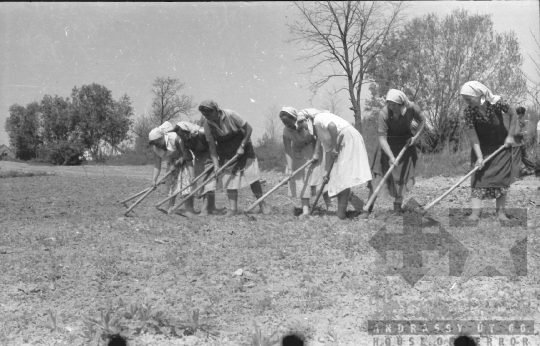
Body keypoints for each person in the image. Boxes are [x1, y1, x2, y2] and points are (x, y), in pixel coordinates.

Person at [198, 100, 270, 217]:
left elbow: (249, 129)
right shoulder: (207, 125)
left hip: (243, 148)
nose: (207, 117)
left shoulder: (230, 115)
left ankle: (262, 204)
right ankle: (233, 209)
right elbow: (212, 147)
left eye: (209, 114)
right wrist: (216, 165)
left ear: (216, 111)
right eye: (205, 115)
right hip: (225, 153)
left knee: (252, 177)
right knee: (229, 180)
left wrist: (242, 146)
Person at [300, 108, 372, 219]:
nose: (304, 128)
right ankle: (343, 212)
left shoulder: (319, 118)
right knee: (339, 177)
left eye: (303, 124)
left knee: (343, 178)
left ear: (307, 119)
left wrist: (334, 146)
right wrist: (326, 173)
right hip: (342, 141)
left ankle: (341, 214)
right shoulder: (319, 132)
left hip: (348, 138)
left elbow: (332, 127)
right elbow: (328, 151)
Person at [460, 81, 517, 221]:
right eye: (464, 100)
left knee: (501, 181)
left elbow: (513, 114)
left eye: (468, 99)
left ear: (478, 95)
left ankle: (501, 213)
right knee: (478, 179)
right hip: (481, 148)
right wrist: (479, 157)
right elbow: (473, 137)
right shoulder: (468, 112)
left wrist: (510, 136)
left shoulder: (496, 103)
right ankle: (475, 213)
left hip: (501, 147)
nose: (466, 102)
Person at [367, 89, 425, 214]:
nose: (391, 106)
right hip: (386, 145)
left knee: (402, 178)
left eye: (394, 104)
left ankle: (398, 208)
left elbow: (422, 120)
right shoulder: (384, 113)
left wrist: (415, 138)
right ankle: (368, 208)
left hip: (405, 144)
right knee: (378, 175)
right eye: (389, 103)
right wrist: (391, 156)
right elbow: (382, 138)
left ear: (401, 105)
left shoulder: (412, 108)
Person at [279, 107, 325, 217]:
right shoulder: (286, 131)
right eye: (284, 122)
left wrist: (316, 153)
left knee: (321, 179)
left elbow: (318, 136)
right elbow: (288, 150)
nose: (286, 124)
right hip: (298, 155)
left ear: (294, 118)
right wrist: (289, 168)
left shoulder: (305, 122)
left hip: (314, 152)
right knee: (302, 182)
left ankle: (328, 207)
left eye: (288, 121)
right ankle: (305, 211)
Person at [148, 121, 196, 216]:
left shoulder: (175, 138)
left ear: (162, 137)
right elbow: (157, 164)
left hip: (186, 159)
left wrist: (192, 175)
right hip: (173, 161)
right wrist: (154, 180)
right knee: (171, 184)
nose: (157, 145)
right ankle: (170, 208)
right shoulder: (156, 147)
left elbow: (187, 156)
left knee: (187, 184)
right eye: (154, 144)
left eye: (158, 142)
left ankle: (189, 209)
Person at [173, 121, 217, 216]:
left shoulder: (201, 133)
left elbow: (213, 147)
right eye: (179, 136)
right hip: (198, 159)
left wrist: (216, 163)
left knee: (209, 183)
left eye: (182, 134)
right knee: (201, 183)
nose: (182, 137)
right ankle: (207, 208)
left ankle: (205, 210)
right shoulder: (182, 142)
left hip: (211, 155)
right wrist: (192, 176)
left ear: (187, 131)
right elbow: (188, 159)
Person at [511, 106, 535, 177]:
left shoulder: (515, 120)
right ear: (521, 114)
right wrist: (524, 133)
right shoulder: (516, 121)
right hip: (516, 144)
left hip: (519, 143)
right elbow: (516, 133)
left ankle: (533, 168)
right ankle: (515, 175)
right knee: (516, 160)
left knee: (524, 157)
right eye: (523, 115)